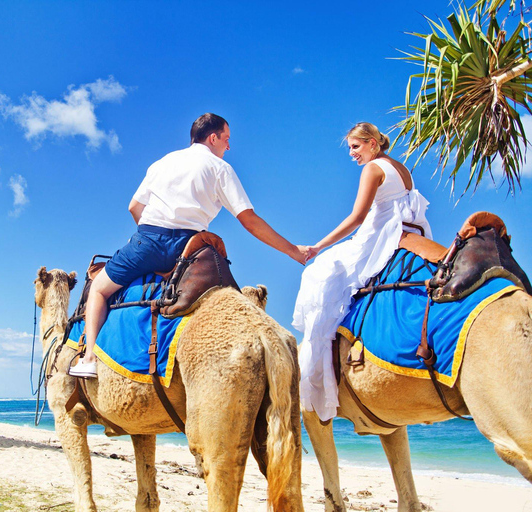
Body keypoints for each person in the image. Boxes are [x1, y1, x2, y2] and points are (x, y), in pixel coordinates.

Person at [69, 113, 309, 378]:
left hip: (147, 240)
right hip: (190, 249)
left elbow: (134, 207)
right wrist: (293, 251)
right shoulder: (220, 168)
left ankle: (89, 358)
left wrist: (150, 240)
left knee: (99, 290)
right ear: (213, 137)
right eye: (226, 139)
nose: (228, 146)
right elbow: (249, 220)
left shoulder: (162, 163)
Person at [292, 122, 432, 421]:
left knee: (319, 273)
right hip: (409, 231)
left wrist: (317, 246)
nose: (352, 154)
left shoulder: (373, 169)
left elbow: (357, 218)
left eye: (356, 147)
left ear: (372, 144)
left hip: (380, 237)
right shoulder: (400, 167)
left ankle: (320, 366)